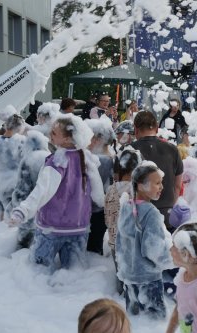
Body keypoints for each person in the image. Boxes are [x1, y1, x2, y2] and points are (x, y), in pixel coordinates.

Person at [8, 115, 104, 271]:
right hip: (79, 227)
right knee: (74, 276)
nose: (49, 135)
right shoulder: (86, 157)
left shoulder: (58, 160)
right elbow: (98, 195)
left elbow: (43, 190)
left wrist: (22, 210)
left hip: (51, 228)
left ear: (67, 139)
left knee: (37, 273)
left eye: (54, 133)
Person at [115, 162, 173, 319]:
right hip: (149, 279)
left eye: (161, 183)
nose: (161, 187)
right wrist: (173, 260)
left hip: (129, 277)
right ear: (140, 186)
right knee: (155, 322)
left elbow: (119, 243)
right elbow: (153, 249)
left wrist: (122, 268)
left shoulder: (126, 207)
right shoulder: (151, 213)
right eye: (157, 183)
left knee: (135, 321)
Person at [132, 111, 183, 230]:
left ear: (136, 129)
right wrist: (169, 205)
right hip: (167, 215)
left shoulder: (130, 150)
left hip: (139, 215)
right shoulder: (172, 149)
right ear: (156, 128)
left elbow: (121, 185)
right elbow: (177, 186)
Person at [105, 148, 142, 291]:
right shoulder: (138, 191)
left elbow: (108, 217)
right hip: (133, 242)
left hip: (115, 241)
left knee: (120, 271)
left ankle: (120, 293)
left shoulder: (110, 190)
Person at [7, 130, 51, 249]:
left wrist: (15, 207)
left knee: (24, 245)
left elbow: (22, 190)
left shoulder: (28, 160)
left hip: (29, 209)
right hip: (49, 213)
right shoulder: (50, 158)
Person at [0, 108, 26, 221]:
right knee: (16, 217)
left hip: (0, 182)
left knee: (1, 216)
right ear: (19, 127)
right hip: (17, 183)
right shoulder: (22, 141)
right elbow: (26, 164)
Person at [85, 116, 116, 255]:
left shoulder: (100, 160)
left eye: (88, 137)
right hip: (102, 211)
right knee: (95, 245)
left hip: (94, 210)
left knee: (90, 247)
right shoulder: (111, 158)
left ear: (97, 140)